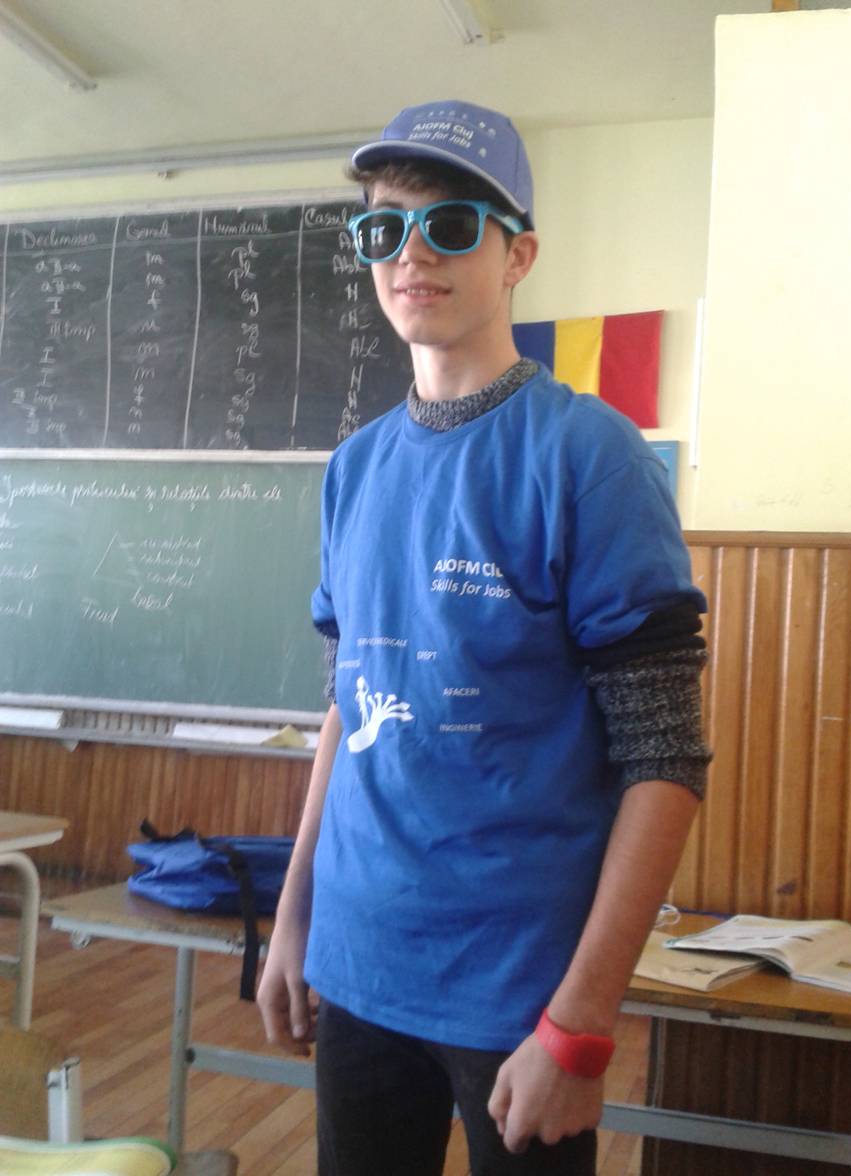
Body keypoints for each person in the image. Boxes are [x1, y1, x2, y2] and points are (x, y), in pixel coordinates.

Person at [257, 99, 711, 1176]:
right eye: (384, 228)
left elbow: (664, 758)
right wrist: (294, 918)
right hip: (358, 965)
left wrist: (580, 1022)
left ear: (518, 256)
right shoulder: (354, 469)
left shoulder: (589, 457)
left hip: (520, 992)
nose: (412, 253)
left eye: (451, 225)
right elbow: (345, 710)